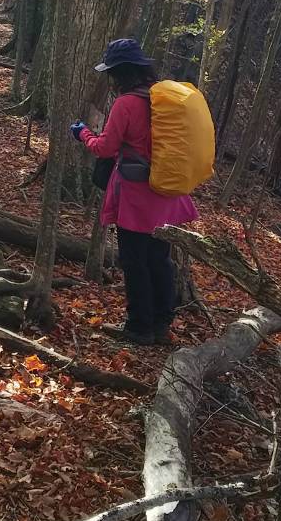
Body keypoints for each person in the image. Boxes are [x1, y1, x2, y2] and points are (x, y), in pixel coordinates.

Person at [70, 38, 198, 348]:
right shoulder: (162, 97)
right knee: (159, 259)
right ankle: (161, 324)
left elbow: (106, 148)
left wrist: (82, 133)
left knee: (134, 260)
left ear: (120, 73)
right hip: (166, 193)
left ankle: (138, 326)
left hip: (137, 197)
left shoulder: (126, 104)